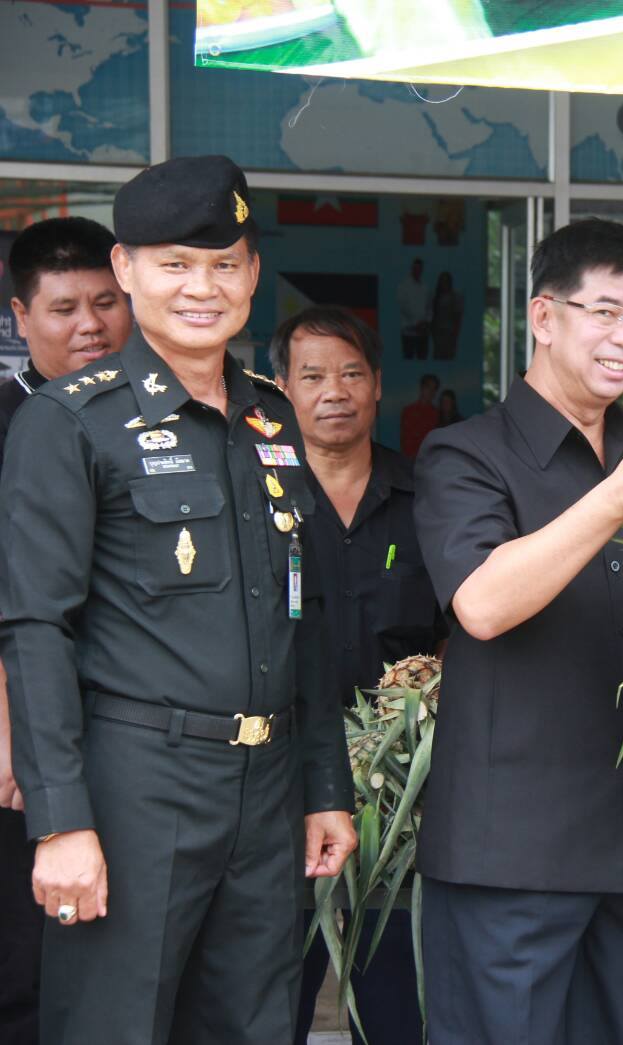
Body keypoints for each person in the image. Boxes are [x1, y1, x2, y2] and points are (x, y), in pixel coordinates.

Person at [0, 155, 356, 1044]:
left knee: (255, 1024)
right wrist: (60, 822)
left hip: (267, 793)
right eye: (175, 265)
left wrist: (325, 786)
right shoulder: (70, 420)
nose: (203, 288)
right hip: (136, 788)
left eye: (224, 264)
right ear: (126, 269)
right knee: (112, 1025)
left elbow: (302, 613)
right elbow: (36, 626)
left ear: (253, 273)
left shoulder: (271, 414)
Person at [413, 217, 623, 1043]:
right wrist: (611, 502)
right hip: (514, 856)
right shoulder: (464, 456)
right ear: (543, 316)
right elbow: (481, 603)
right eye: (604, 311)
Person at [273, 304, 447, 1045]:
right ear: (283, 389)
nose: (333, 392)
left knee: (397, 1006)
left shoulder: (427, 497)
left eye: (350, 374)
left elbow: (466, 622)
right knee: (271, 997)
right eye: (312, 376)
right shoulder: (256, 499)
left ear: (377, 384)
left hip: (402, 793)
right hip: (283, 788)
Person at [0, 216, 131, 1045]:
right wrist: (8, 722)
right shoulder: (15, 420)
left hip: (129, 741)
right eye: (63, 309)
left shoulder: (155, 419)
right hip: (21, 746)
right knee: (25, 967)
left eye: (105, 303)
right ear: (21, 317)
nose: (90, 325)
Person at [399, 372, 439, 458]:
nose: (431, 392)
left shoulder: (436, 413)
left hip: (430, 459)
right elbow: (405, 440)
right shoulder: (409, 411)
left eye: (434, 389)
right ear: (422, 388)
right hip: (410, 459)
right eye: (428, 387)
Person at [397, 257, 429, 359]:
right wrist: (415, 324)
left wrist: (425, 322)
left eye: (419, 269)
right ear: (411, 269)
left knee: (422, 359)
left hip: (423, 332)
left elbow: (429, 307)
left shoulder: (425, 288)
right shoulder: (403, 287)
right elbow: (404, 307)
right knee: (408, 359)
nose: (417, 271)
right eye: (415, 268)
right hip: (408, 331)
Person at [430, 270, 463, 360]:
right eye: (442, 281)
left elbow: (458, 317)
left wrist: (455, 335)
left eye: (446, 281)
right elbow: (433, 315)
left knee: (448, 356)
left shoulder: (455, 297)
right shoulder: (436, 297)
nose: (444, 283)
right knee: (437, 356)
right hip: (438, 332)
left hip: (449, 333)